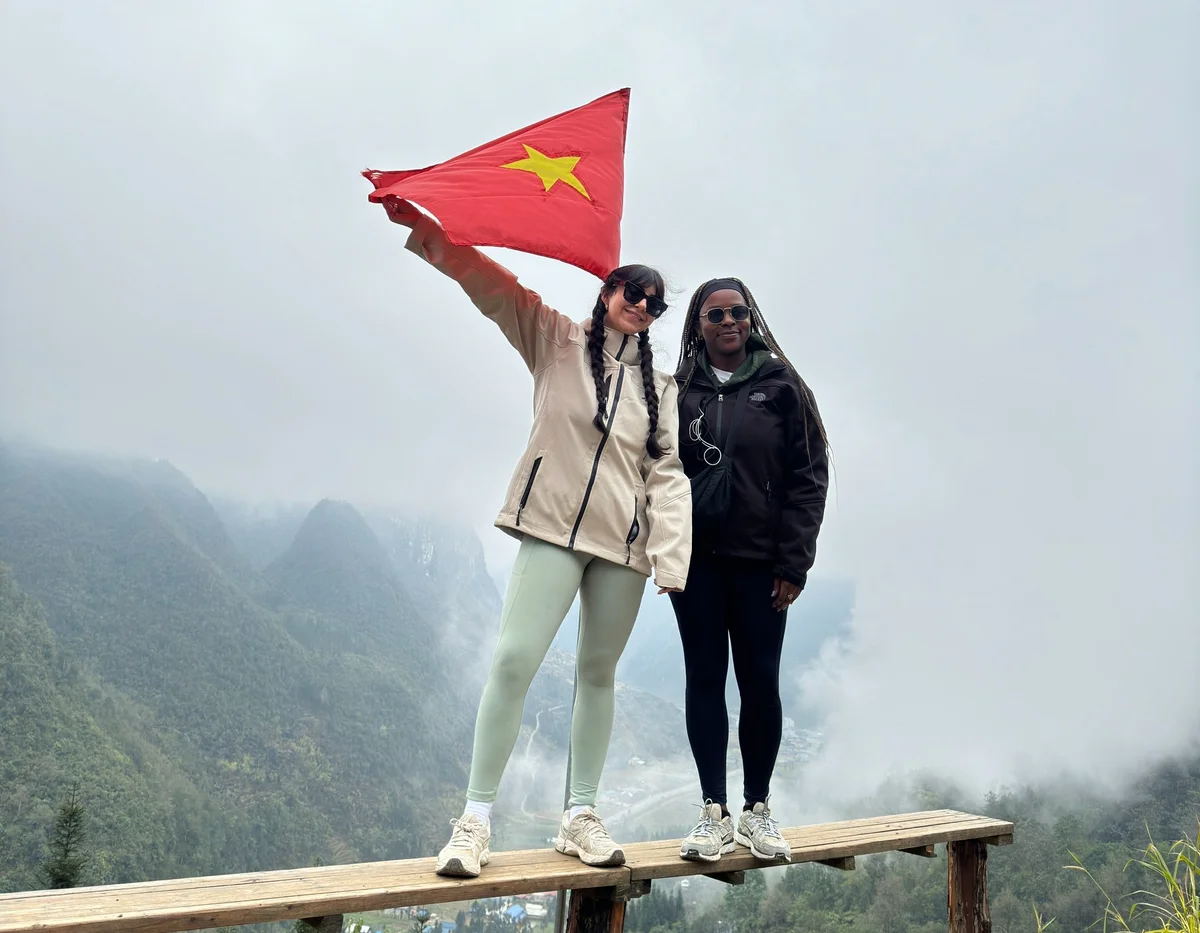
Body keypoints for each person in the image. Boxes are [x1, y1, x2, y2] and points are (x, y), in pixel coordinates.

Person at [380, 196, 693, 878]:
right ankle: (475, 820)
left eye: (655, 302)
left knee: (597, 673)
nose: (642, 305)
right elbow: (487, 284)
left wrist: (670, 556)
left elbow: (667, 473)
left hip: (624, 548)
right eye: (633, 292)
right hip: (549, 528)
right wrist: (426, 228)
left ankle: (579, 814)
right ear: (607, 292)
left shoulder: (661, 389)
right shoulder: (551, 339)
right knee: (514, 660)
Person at [668, 277, 829, 864]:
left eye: (737, 311)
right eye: (715, 314)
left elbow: (809, 479)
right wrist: (663, 551)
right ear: (698, 323)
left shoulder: (784, 387)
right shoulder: (677, 390)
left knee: (760, 682)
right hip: (696, 564)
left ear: (751, 317)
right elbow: (653, 470)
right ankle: (714, 812)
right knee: (705, 679)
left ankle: (757, 810)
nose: (728, 321)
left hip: (764, 566)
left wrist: (794, 562)